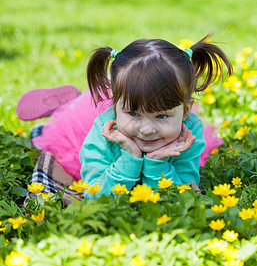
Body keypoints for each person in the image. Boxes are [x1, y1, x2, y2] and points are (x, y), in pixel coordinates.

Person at [18, 35, 233, 199]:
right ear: (116, 106)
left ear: (185, 111)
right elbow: (96, 195)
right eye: (134, 114)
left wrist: (156, 164)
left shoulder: (189, 133)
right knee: (56, 128)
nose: (147, 130)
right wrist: (130, 158)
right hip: (91, 119)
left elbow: (183, 196)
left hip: (128, 101)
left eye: (161, 116)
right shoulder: (102, 132)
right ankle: (70, 103)